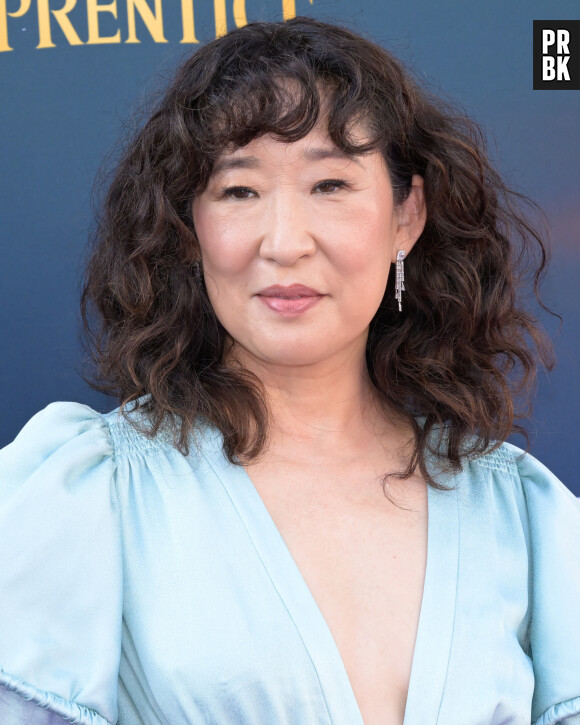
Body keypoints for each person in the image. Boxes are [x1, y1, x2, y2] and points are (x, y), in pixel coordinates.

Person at [0, 14, 579, 725]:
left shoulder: (521, 516)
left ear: (407, 213)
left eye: (330, 185)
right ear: (190, 226)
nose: (285, 241)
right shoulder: (89, 497)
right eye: (239, 191)